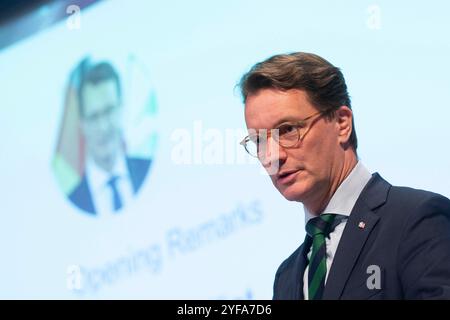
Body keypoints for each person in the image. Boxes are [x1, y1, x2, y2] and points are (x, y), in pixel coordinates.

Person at [238, 52, 450, 299]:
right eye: (259, 141)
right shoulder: (285, 278)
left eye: (287, 130)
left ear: (341, 123)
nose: (271, 156)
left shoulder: (417, 220)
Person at [68, 60, 151, 215]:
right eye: (93, 117)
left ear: (122, 109)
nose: (103, 127)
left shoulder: (147, 169)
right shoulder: (74, 198)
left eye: (109, 111)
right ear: (82, 124)